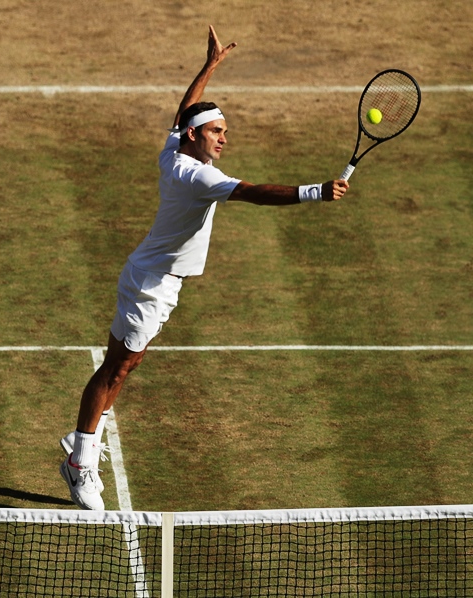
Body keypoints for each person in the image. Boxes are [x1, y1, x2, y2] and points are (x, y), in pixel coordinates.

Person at [59, 25, 350, 511]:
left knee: (125, 365)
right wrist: (314, 191)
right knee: (115, 370)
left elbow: (185, 112)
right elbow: (254, 192)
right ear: (196, 137)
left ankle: (83, 441)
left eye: (227, 132)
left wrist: (211, 65)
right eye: (217, 132)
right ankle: (79, 460)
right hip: (150, 284)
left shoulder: (176, 148)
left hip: (157, 279)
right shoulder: (197, 175)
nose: (224, 139)